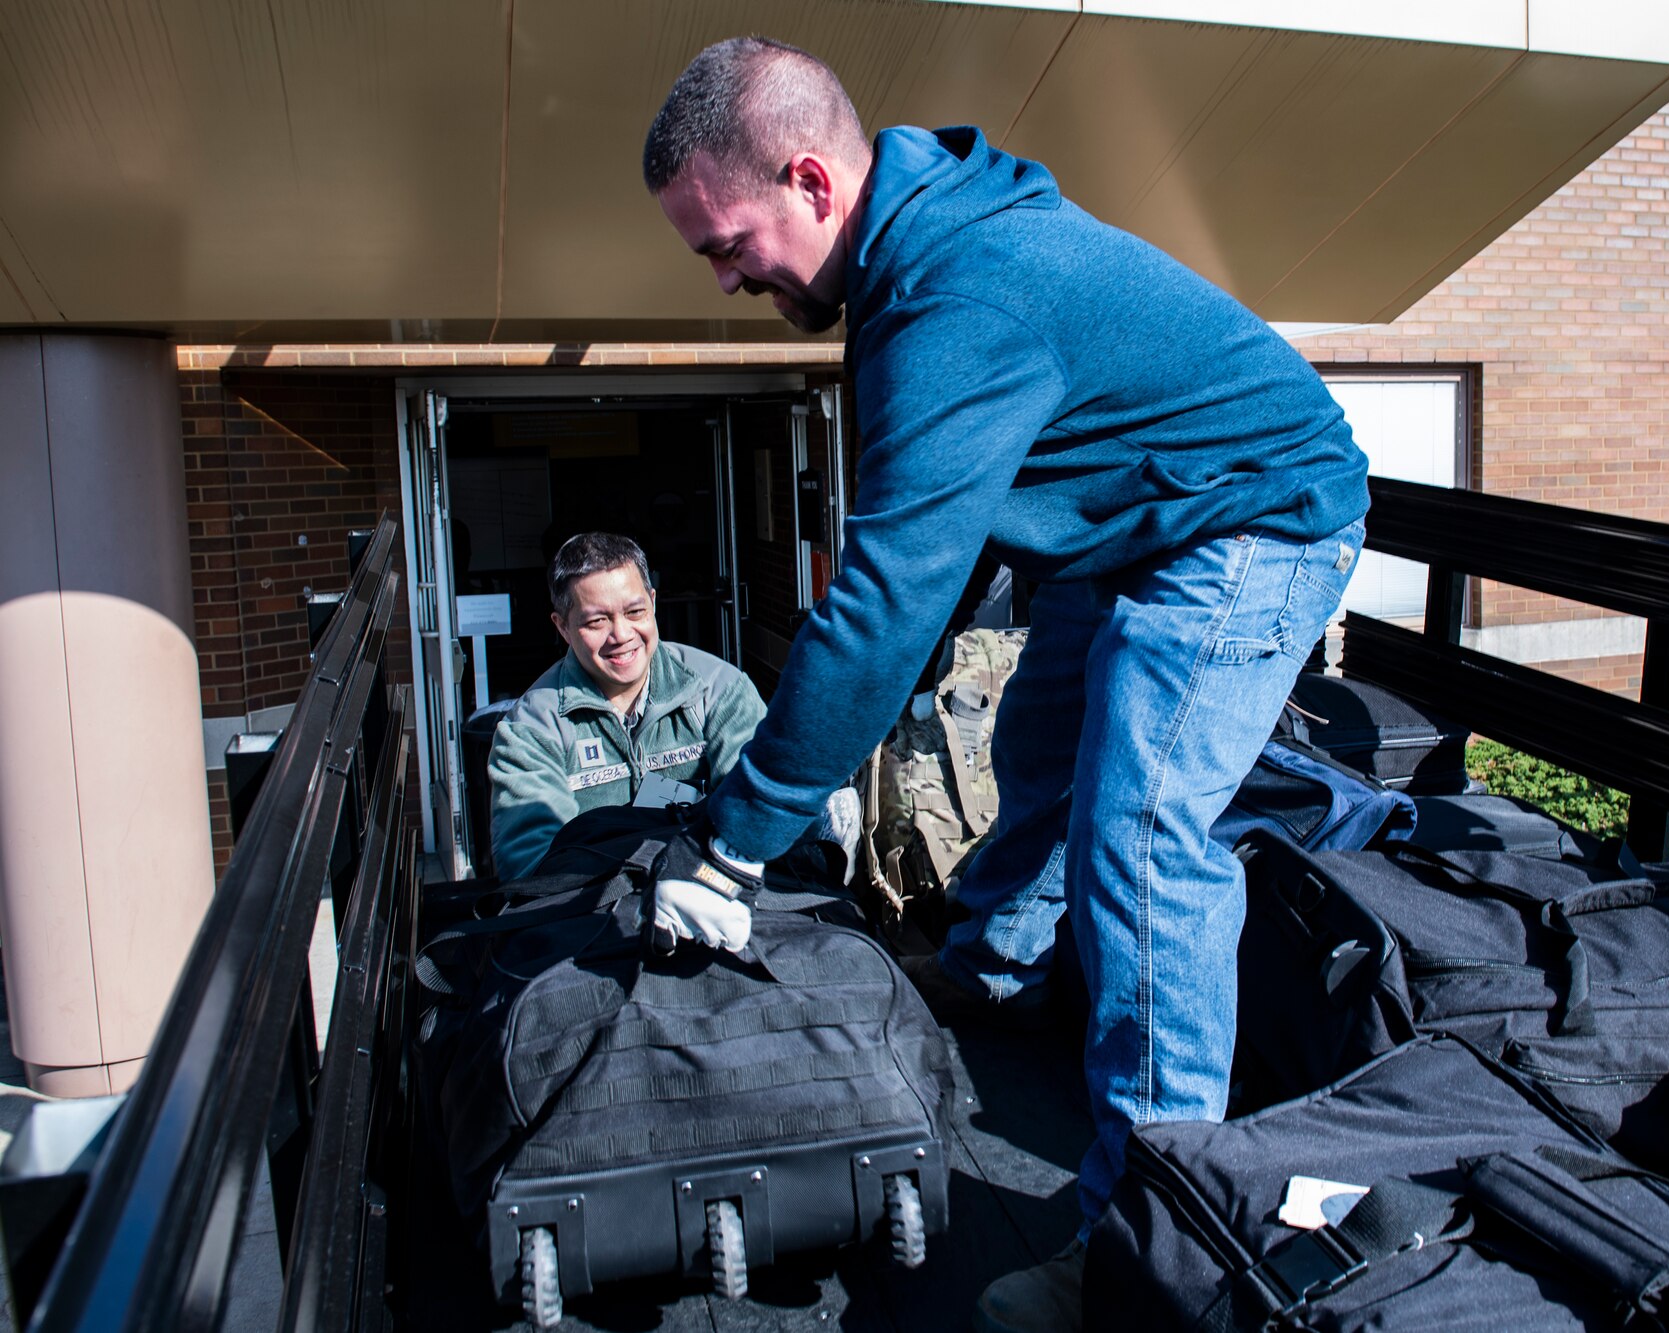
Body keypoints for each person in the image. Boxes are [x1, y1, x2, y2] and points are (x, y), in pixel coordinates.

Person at [642, 37, 1370, 1330]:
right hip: (1136, 519)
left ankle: (1146, 1231)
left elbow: (886, 594)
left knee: (1139, 837)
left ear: (809, 178)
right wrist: (867, 699)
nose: (727, 275)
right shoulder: (907, 245)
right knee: (1039, 749)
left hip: (1253, 518)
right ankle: (999, 975)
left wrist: (735, 846)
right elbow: (925, 559)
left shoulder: (958, 290)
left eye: (727, 241)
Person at [487, 532, 766, 880]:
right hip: (593, 920)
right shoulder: (532, 728)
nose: (621, 634)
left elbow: (759, 816)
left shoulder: (720, 691)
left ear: (653, 602)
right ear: (563, 628)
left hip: (711, 901)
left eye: (635, 612)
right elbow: (534, 866)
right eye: (596, 621)